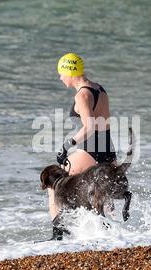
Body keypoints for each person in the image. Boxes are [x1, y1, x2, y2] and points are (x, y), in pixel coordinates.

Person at [47, 52, 117, 240]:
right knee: (103, 197)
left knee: (54, 185)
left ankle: (57, 237)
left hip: (91, 150)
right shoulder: (99, 89)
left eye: (61, 73)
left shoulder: (83, 95)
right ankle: (113, 237)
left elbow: (90, 126)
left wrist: (67, 145)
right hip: (108, 150)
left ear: (70, 72)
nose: (61, 78)